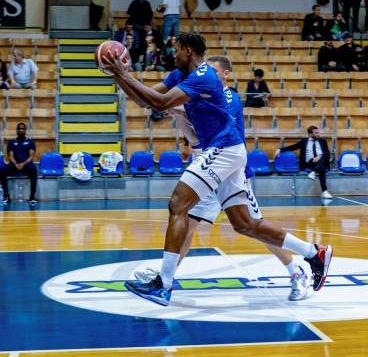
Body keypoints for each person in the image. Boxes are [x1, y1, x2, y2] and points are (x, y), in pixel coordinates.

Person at [103, 32, 333, 306]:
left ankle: (163, 284)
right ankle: (313, 253)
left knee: (178, 205)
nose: (172, 55)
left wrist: (124, 75)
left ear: (188, 51)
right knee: (245, 224)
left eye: (176, 50)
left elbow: (160, 103)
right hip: (220, 154)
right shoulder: (180, 76)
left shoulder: (204, 77)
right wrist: (118, 75)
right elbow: (145, 100)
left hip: (222, 150)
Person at [135, 55, 309, 301]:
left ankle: (296, 270)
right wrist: (176, 112)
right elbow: (194, 137)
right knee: (187, 224)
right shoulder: (199, 96)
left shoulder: (230, 98)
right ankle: (165, 279)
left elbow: (197, 123)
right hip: (208, 168)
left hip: (231, 170)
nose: (206, 75)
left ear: (225, 74)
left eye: (213, 71)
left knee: (255, 228)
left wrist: (174, 107)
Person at [274, 126, 332, 199]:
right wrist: (280, 149)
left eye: (318, 132)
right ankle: (324, 191)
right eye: (316, 133)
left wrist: (319, 156)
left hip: (321, 161)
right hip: (309, 163)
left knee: (324, 157)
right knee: (321, 167)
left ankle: (314, 172)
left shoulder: (323, 141)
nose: (318, 134)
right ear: (310, 134)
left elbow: (327, 153)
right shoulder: (304, 141)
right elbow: (293, 147)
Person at [0, 123, 37, 204]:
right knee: (2, 171)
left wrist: (23, 164)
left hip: (26, 165)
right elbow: (11, 156)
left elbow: (31, 156)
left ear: (25, 130)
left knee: (34, 170)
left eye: (23, 129)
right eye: (19, 128)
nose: (21, 130)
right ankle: (6, 196)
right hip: (14, 165)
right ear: (17, 130)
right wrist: (16, 164)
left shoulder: (30, 142)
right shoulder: (11, 142)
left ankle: (32, 197)